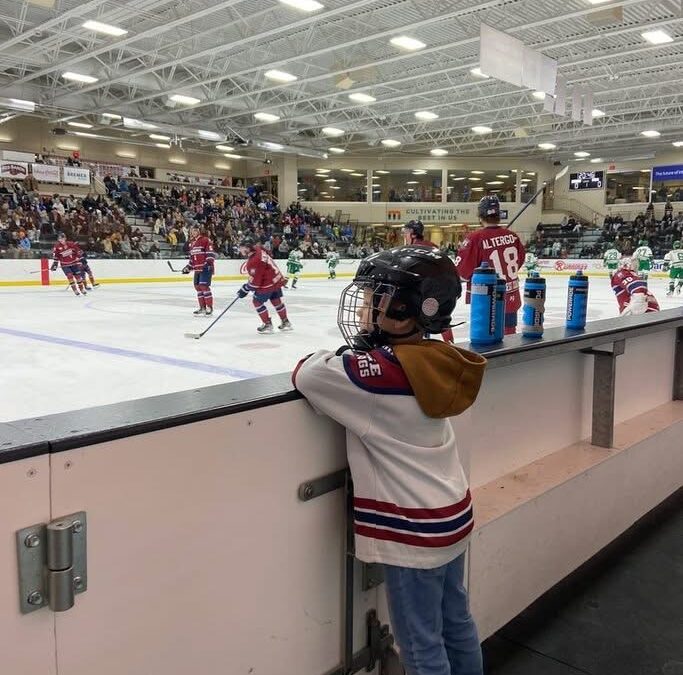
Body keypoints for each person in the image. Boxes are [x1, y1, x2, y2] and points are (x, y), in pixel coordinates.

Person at [292, 246, 487, 675]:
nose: (363, 306)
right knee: (456, 622)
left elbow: (309, 373)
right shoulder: (439, 360)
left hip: (415, 532)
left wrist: (353, 354)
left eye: (372, 298)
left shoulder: (378, 376)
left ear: (401, 312)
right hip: (452, 516)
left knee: (419, 645)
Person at [455, 195, 526, 335]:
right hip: (510, 297)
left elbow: (462, 272)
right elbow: (520, 260)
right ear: (498, 214)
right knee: (509, 337)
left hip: (486, 300)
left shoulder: (474, 239)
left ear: (480, 216)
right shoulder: (512, 236)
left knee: (486, 340)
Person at [403, 220, 455, 343]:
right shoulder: (433, 246)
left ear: (413, 234)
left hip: (424, 291)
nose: (404, 235)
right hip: (441, 290)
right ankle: (451, 344)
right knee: (439, 318)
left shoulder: (410, 250)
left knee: (418, 318)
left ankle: (422, 343)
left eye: (406, 232)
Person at [237, 236, 292, 333]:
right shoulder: (258, 249)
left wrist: (245, 289)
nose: (240, 249)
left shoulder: (253, 261)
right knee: (276, 300)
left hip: (268, 283)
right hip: (276, 278)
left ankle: (267, 324)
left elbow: (255, 283)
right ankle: (285, 321)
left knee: (257, 302)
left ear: (248, 247)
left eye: (241, 247)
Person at [183, 226, 216, 316]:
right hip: (197, 269)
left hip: (205, 268)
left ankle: (209, 307)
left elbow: (210, 253)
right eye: (192, 231)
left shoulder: (205, 240)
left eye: (195, 230)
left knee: (204, 286)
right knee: (197, 287)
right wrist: (188, 268)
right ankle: (202, 308)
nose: (193, 232)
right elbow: (192, 259)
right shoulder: (192, 243)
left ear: (199, 231)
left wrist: (208, 263)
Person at [51, 232, 87, 296]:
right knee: (70, 276)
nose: (60, 240)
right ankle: (75, 290)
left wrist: (81, 258)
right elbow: (56, 256)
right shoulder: (57, 247)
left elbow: (78, 251)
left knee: (78, 277)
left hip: (74, 264)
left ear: (65, 238)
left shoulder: (71, 244)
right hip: (65, 265)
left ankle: (81, 289)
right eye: (59, 239)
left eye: (62, 238)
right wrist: (55, 264)